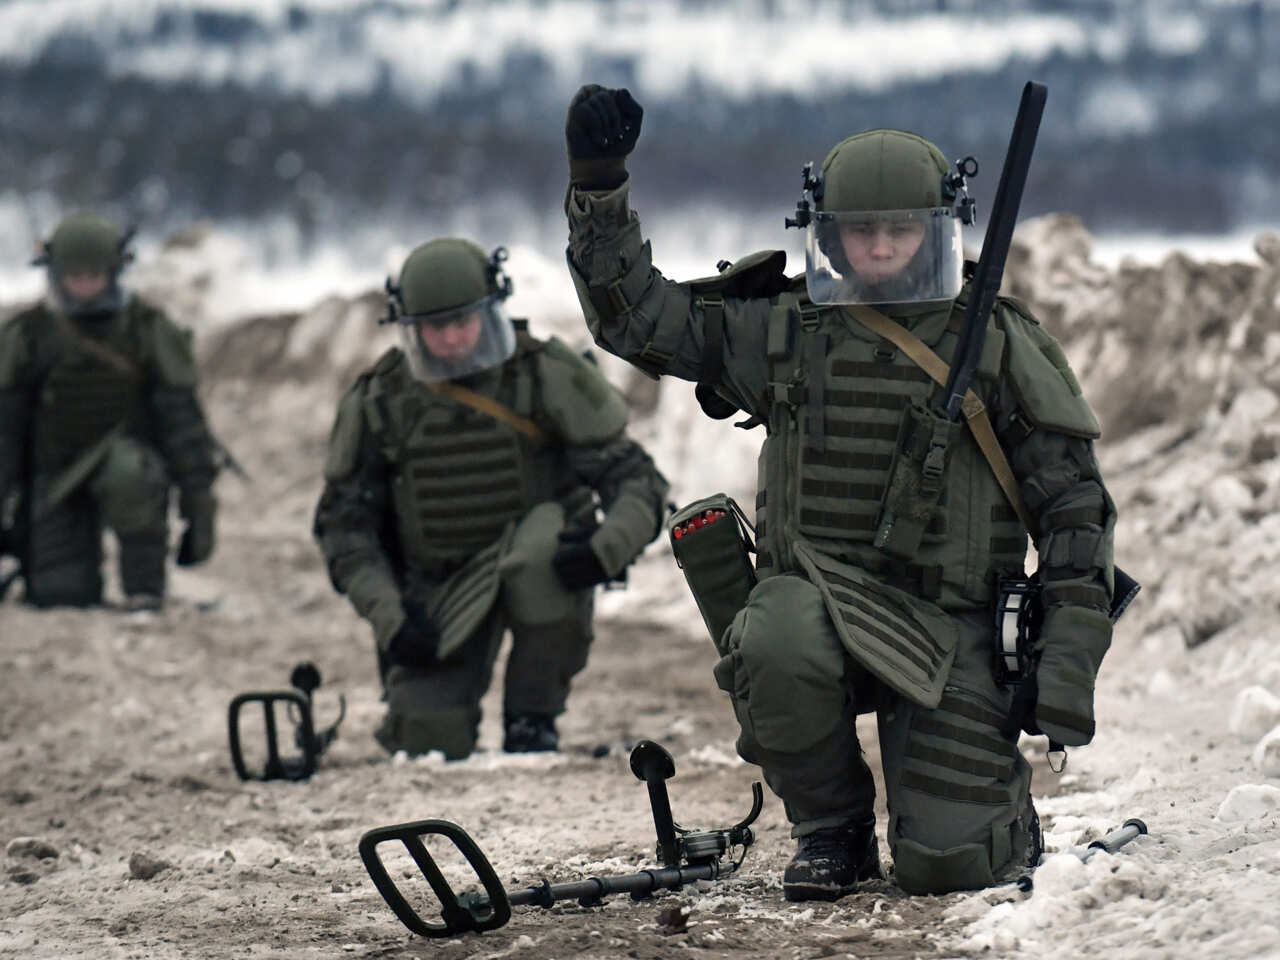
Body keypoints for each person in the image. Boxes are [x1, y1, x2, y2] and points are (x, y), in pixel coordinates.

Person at [561, 86, 1116, 900]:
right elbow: (636, 321)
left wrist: (1066, 662)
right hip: (816, 612)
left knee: (952, 868)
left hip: (951, 631)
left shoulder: (998, 343)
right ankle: (832, 829)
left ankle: (997, 825)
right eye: (861, 231)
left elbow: (1074, 512)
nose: (882, 247)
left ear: (940, 229)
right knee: (773, 635)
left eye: (902, 230)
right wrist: (598, 184)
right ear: (825, 231)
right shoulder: (781, 330)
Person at [312, 238, 669, 759]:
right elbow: (344, 528)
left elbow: (636, 480)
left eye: (463, 321)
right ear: (410, 327)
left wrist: (604, 549)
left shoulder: (543, 373)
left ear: (490, 309)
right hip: (440, 588)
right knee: (427, 743)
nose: (452, 338)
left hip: (539, 563)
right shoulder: (381, 401)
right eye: (435, 326)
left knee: (538, 552)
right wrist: (391, 617)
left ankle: (533, 719)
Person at [0, 212, 219, 610]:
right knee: (60, 595)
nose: (85, 286)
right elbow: (6, 431)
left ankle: (144, 585)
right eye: (75, 276)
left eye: (94, 275)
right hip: (54, 474)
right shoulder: (29, 335)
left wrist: (198, 506)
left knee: (131, 475)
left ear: (114, 272)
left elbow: (182, 423)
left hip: (127, 466)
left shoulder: (147, 329)